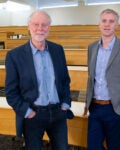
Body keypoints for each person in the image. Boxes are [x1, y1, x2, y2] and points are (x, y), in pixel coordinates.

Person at [5, 10, 72, 150]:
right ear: (28, 26)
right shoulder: (14, 55)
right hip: (33, 115)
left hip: (58, 112)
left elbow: (65, 80)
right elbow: (11, 92)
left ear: (49, 27)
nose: (40, 28)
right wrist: (27, 111)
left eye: (44, 25)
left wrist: (65, 103)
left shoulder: (58, 50)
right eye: (36, 24)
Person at [83, 8, 120, 150]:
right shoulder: (92, 47)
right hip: (95, 107)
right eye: (104, 21)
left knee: (114, 147)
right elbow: (91, 78)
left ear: (117, 25)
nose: (107, 24)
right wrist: (87, 103)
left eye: (112, 21)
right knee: (93, 147)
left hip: (116, 109)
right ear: (99, 23)